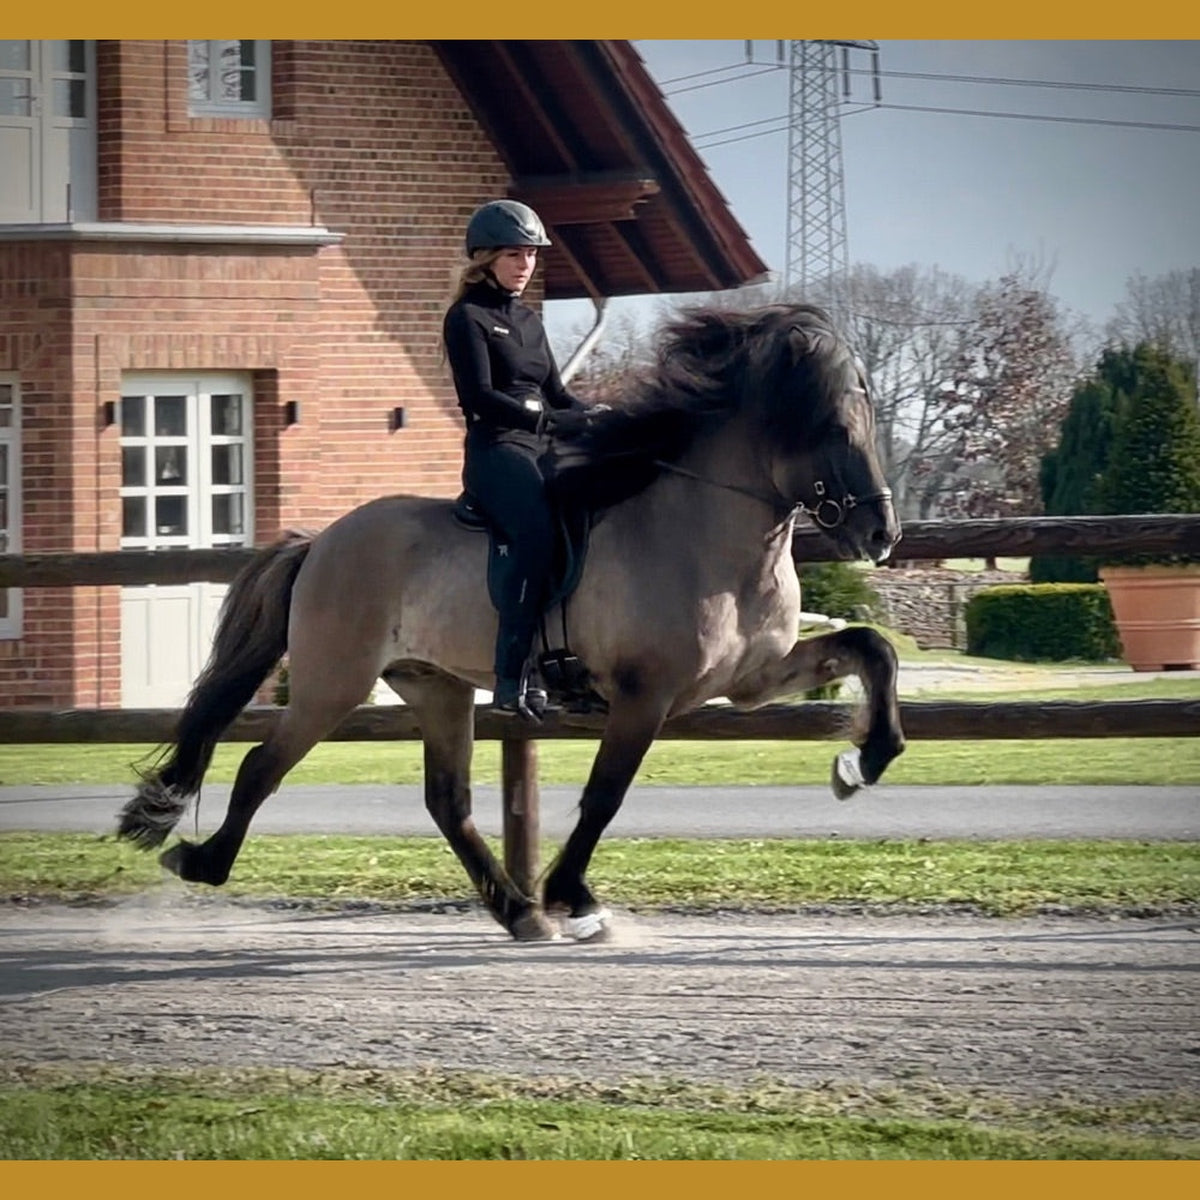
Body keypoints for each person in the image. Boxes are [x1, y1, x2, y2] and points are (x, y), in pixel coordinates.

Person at [442, 199, 589, 720]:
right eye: (514, 254)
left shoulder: (528, 320)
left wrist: (599, 417)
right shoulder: (467, 318)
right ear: (485, 259)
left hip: (540, 444)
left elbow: (558, 394)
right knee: (536, 532)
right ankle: (511, 676)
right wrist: (543, 421)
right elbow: (478, 397)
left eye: (530, 255)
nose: (525, 264)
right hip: (496, 450)